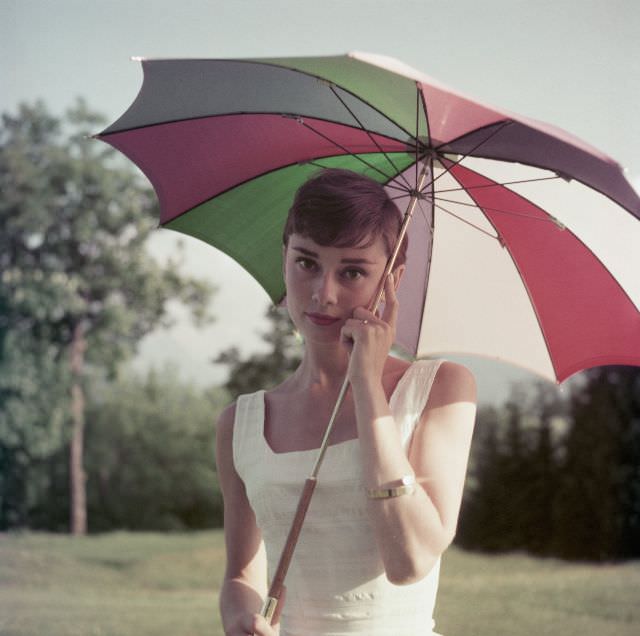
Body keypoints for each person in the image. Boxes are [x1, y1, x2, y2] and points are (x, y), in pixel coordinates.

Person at [216, 168, 477, 635]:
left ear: (392, 280)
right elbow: (241, 575)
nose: (323, 293)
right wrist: (239, 617)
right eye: (306, 262)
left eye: (352, 271)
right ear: (284, 258)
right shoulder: (241, 422)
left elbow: (409, 561)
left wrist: (367, 386)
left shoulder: (441, 390)